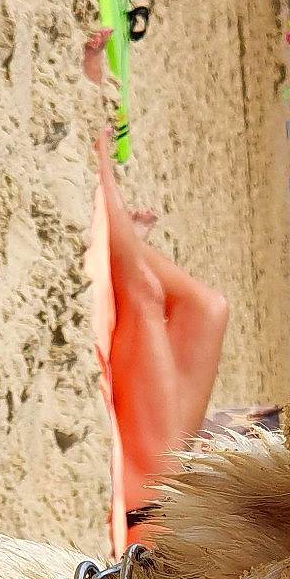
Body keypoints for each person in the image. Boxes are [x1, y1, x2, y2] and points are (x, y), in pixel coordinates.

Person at [82, 29, 231, 550]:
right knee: (209, 309)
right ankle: (124, 232)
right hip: (174, 503)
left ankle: (96, 148)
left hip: (149, 517)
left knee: (143, 295)